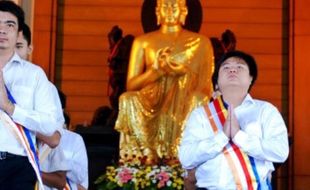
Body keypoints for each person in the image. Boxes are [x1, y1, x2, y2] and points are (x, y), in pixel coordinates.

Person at [115, 0, 214, 164]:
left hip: (184, 100)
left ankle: (182, 151)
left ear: (184, 11)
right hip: (151, 99)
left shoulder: (201, 43)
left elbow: (205, 87)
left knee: (199, 99)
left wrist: (182, 74)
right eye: (165, 6)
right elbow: (131, 85)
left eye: (174, 6)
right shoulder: (143, 42)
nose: (169, 10)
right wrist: (156, 71)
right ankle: (145, 154)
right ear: (157, 11)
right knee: (127, 98)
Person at [179, 51, 289, 189]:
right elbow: (186, 158)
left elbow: (280, 152)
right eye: (225, 67)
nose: (232, 69)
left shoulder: (265, 110)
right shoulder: (200, 115)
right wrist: (222, 137)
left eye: (240, 67)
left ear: (251, 79)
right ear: (217, 82)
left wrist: (239, 136)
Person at [0, 1, 64, 190]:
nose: (2, 30)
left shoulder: (34, 75)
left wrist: (10, 108)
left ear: (19, 32)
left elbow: (50, 124)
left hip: (17, 166)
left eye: (9, 25)